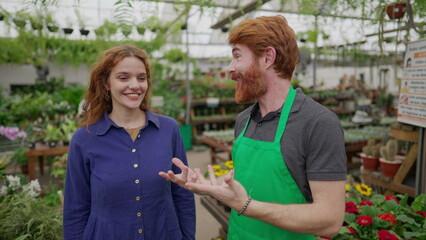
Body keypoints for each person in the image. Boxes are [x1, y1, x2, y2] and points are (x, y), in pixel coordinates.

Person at [160, 15, 346, 239]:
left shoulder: (317, 123)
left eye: (237, 56)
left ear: (267, 57)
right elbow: (247, 177)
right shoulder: (244, 119)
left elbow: (329, 220)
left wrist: (246, 205)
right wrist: (207, 184)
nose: (230, 68)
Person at [63, 44, 195, 240]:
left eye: (141, 78)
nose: (135, 85)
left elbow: (182, 194)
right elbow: (76, 207)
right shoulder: (85, 139)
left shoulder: (168, 130)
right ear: (106, 83)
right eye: (123, 77)